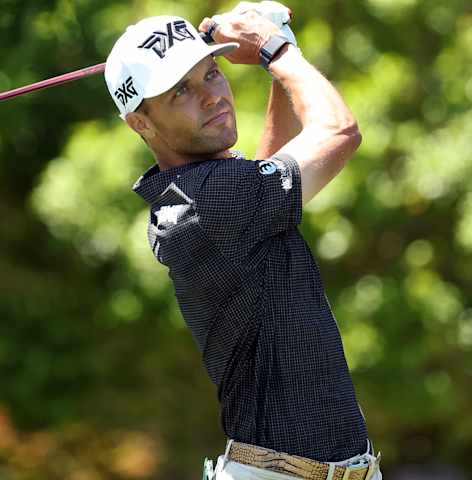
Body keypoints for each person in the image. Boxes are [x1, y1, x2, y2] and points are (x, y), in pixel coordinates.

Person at [104, 3, 382, 479]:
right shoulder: (213, 199)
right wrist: (276, 49)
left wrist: (277, 51)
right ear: (140, 123)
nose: (211, 97)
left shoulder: (198, 193)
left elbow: (267, 171)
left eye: (211, 74)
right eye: (180, 91)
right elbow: (340, 131)